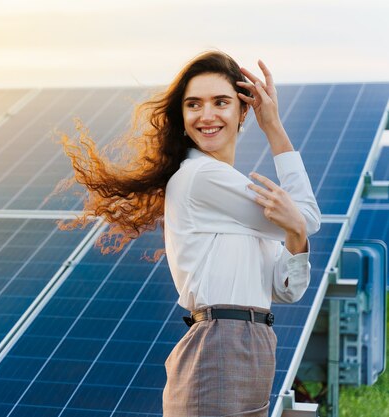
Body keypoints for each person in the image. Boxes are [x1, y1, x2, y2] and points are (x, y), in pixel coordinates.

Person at [53, 50, 321, 416]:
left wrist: (296, 235)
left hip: (254, 346)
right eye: (194, 104)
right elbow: (308, 216)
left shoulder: (233, 198)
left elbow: (286, 288)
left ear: (243, 111)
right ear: (181, 117)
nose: (206, 115)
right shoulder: (200, 177)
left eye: (221, 102)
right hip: (220, 347)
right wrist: (273, 126)